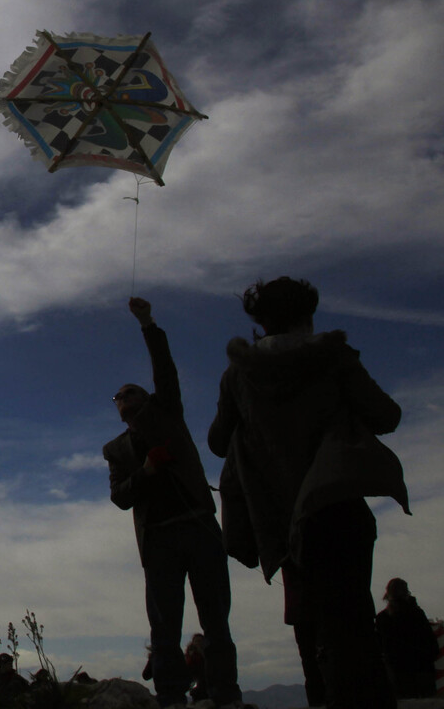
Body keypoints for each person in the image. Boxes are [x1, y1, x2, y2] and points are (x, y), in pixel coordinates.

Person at [209, 277, 404, 709]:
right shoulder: (333, 357)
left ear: (260, 320)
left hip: (279, 519)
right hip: (336, 505)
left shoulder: (237, 374)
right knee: (352, 622)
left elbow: (218, 441)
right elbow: (386, 415)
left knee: (307, 627)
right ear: (305, 316)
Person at [103, 298, 244, 709]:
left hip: (199, 526)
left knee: (216, 619)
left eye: (130, 391)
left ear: (146, 398)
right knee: (163, 626)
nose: (122, 396)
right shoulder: (115, 450)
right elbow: (119, 497)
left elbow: (165, 369)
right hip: (159, 540)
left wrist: (147, 323)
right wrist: (146, 471)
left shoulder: (168, 413)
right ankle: (169, 697)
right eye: (117, 396)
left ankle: (225, 695)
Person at [376, 578, 438, 698]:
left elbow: (382, 647)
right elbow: (430, 643)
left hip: (397, 674)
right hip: (422, 670)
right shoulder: (417, 614)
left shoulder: (382, 618)